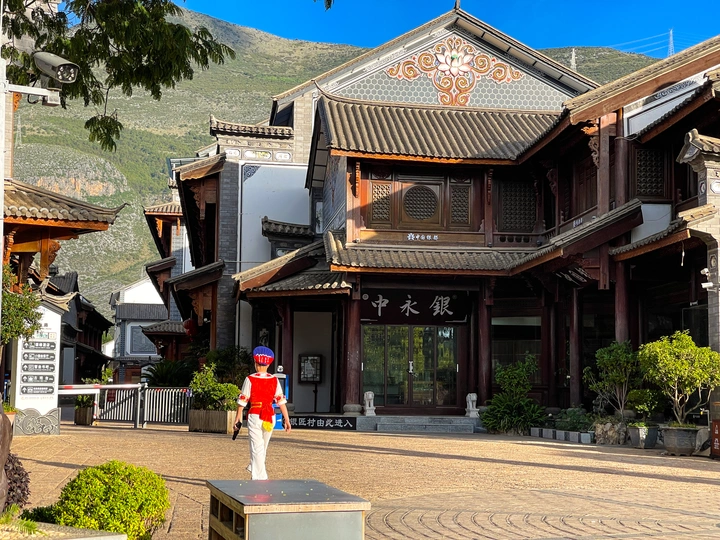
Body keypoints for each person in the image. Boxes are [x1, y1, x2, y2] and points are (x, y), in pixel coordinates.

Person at [234, 346, 291, 480]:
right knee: (263, 447)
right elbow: (281, 401)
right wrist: (287, 419)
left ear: (255, 362)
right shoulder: (274, 379)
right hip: (270, 416)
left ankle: (260, 478)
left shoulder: (250, 379)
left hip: (255, 414)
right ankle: (257, 471)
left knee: (257, 447)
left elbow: (243, 400)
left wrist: (238, 418)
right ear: (269, 364)